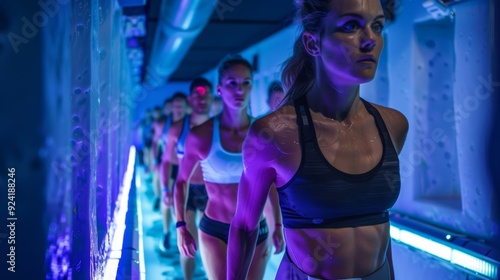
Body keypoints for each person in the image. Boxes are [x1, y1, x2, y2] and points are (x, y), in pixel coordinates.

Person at [227, 0, 409, 279]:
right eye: (351, 26)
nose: (370, 40)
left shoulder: (394, 125)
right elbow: (244, 226)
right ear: (313, 44)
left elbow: (380, 226)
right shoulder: (275, 134)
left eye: (377, 26)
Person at [174, 55, 285, 280]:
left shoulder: (264, 133)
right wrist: (181, 227)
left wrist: (278, 225)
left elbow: (270, 185)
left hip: (256, 228)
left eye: (245, 83)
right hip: (215, 228)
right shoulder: (201, 135)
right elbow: (181, 181)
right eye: (232, 83)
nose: (239, 90)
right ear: (220, 89)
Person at [163, 77, 213, 279]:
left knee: (211, 244)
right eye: (197, 95)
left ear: (211, 97)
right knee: (189, 244)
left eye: (205, 95)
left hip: (213, 191)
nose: (201, 100)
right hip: (187, 189)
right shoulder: (177, 128)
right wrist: (166, 189)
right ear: (190, 100)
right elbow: (166, 160)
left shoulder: (219, 126)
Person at [158, 92, 189, 252]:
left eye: (180, 105)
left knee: (183, 207)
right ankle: (165, 232)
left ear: (186, 107)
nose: (177, 108)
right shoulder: (166, 124)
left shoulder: (191, 124)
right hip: (170, 166)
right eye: (175, 105)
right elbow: (162, 151)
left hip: (186, 170)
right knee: (168, 200)